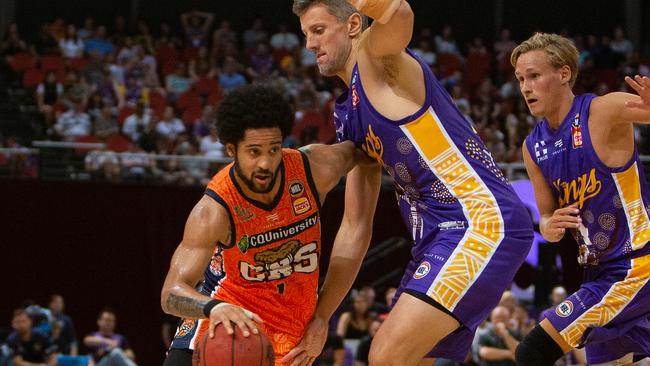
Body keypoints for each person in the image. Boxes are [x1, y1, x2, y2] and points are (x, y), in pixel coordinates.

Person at [287, 1, 534, 365]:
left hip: (480, 221)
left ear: (354, 23)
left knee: (386, 355)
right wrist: (322, 316)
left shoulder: (377, 57)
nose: (309, 43)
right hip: (437, 238)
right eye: (306, 33)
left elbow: (400, 13)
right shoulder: (348, 117)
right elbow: (355, 226)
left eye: (319, 30)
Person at [160, 85, 368, 366]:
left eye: (273, 149)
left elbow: (367, 153)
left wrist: (323, 316)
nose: (266, 163)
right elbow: (171, 293)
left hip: (291, 333)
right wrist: (213, 307)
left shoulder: (313, 168)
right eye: (254, 151)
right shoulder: (214, 210)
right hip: (223, 326)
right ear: (232, 149)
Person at [512, 32, 650, 365]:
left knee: (532, 351)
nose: (525, 87)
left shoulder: (603, 111)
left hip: (637, 265)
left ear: (563, 74)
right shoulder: (533, 147)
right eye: (519, 79)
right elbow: (546, 220)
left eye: (533, 76)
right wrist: (551, 225)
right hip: (599, 273)